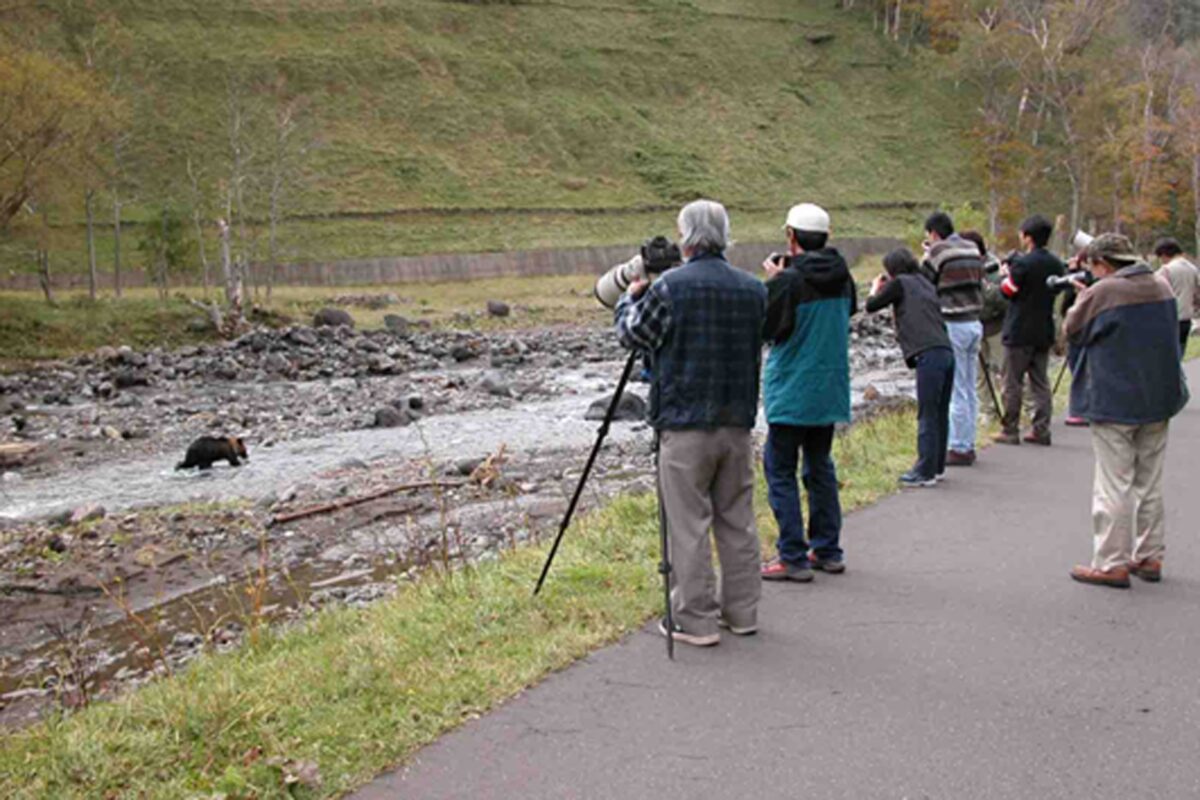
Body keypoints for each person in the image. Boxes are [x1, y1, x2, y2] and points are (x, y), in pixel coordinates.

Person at [615, 199, 767, 645]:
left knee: (689, 524)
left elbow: (633, 335)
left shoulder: (671, 288)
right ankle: (743, 612)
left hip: (684, 423)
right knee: (737, 520)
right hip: (737, 420)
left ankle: (696, 620)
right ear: (725, 235)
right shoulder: (754, 288)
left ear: (686, 237)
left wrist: (628, 300)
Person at [1063, 234, 1189, 588]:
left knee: (1113, 483)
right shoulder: (1160, 285)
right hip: (1159, 396)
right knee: (1148, 481)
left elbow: (1072, 329)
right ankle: (1150, 555)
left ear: (1103, 263)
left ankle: (1110, 562)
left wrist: (1081, 297)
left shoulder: (1104, 292)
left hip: (1115, 399)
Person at [758, 203, 856, 582]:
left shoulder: (788, 282)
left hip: (791, 389)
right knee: (820, 467)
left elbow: (769, 330)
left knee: (780, 470)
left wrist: (774, 281)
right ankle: (827, 549)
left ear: (791, 236)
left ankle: (792, 556)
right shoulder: (844, 277)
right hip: (830, 387)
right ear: (827, 237)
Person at [865, 248, 954, 487]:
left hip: (928, 353)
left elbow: (872, 306)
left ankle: (923, 471)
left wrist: (876, 287)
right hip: (946, 350)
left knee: (926, 413)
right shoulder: (925, 283)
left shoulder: (900, 283)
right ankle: (936, 467)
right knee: (940, 412)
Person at [994, 214, 1064, 446]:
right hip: (1043, 328)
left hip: (1019, 329)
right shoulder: (1055, 263)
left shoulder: (1023, 264)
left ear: (1027, 237)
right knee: (1040, 382)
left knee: (1012, 382)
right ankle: (1041, 429)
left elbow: (1008, 291)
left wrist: (1005, 274)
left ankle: (1010, 429)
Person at [922, 212, 985, 466]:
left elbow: (924, 281)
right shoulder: (971, 247)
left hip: (953, 324)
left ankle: (958, 446)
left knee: (956, 388)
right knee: (969, 386)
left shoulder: (938, 252)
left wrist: (928, 253)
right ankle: (968, 441)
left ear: (934, 233)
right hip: (974, 322)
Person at [1153, 237, 1198, 359]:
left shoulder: (1165, 271)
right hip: (1186, 319)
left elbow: (1156, 294)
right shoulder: (1193, 269)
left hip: (1169, 318)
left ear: (1164, 254)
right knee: (1180, 355)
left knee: (1166, 359)